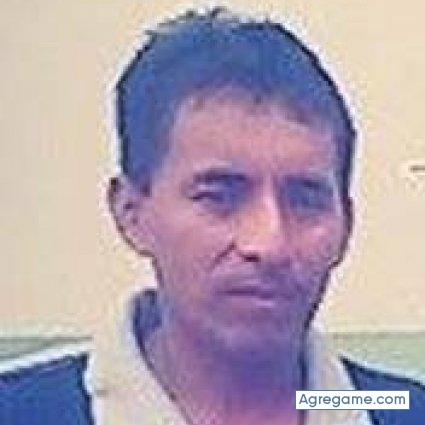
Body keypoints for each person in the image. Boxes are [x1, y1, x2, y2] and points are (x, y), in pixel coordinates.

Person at [1, 7, 424, 425]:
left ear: (347, 224)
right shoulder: (23, 410)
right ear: (131, 212)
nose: (268, 243)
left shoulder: (395, 408)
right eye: (219, 197)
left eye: (305, 200)